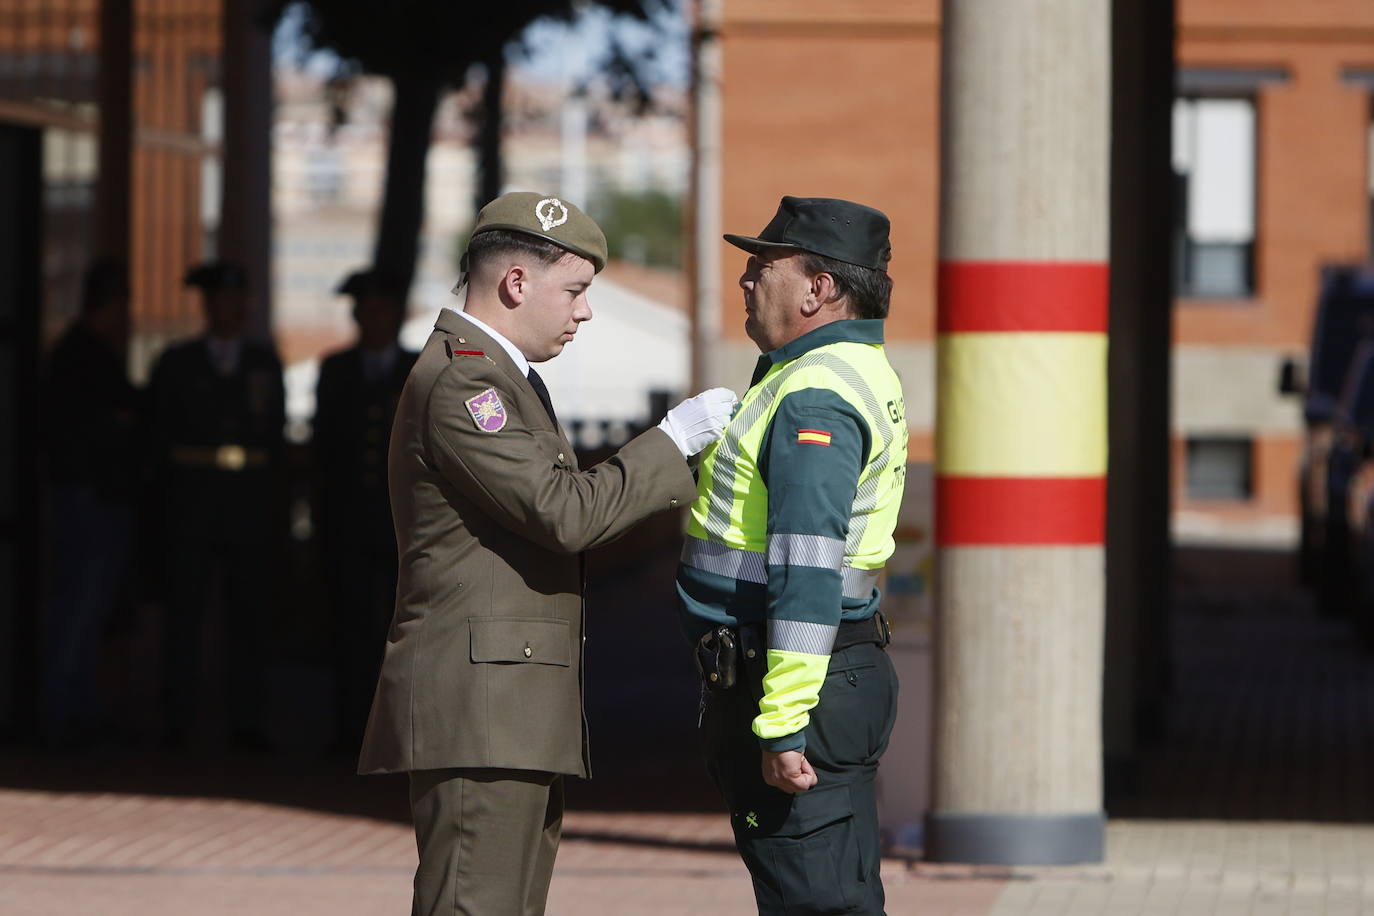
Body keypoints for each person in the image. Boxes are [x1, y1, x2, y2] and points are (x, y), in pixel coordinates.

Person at [357, 190, 737, 916]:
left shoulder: (498, 376)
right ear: (516, 283)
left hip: (507, 706)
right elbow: (563, 514)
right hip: (483, 710)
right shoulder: (467, 381)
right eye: (575, 290)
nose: (584, 311)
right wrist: (674, 439)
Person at [675, 196, 909, 914]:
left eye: (763, 267)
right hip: (823, 673)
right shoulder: (840, 368)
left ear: (819, 289)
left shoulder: (813, 395)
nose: (746, 281)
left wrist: (781, 724)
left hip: (798, 682)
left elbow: (806, 570)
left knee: (816, 902)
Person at [148, 261, 286, 749]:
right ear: (207, 306)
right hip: (191, 503)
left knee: (248, 615)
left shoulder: (263, 362)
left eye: (236, 300)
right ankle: (177, 719)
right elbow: (157, 439)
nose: (229, 309)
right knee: (184, 613)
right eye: (219, 300)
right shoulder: (176, 362)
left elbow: (275, 441)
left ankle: (247, 720)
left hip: (247, 503)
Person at [313, 268, 418, 749]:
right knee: (350, 627)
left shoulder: (420, 369)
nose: (371, 318)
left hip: (405, 527)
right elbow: (325, 454)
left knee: (404, 629)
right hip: (350, 524)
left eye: (380, 309)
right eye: (364, 310)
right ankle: (350, 729)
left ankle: (401, 732)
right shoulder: (336, 370)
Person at [39, 261, 141, 748]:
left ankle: (74, 704)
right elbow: (97, 427)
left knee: (86, 603)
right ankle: (63, 709)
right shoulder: (84, 355)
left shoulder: (81, 351)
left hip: (90, 492)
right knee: (80, 602)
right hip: (90, 494)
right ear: (112, 303)